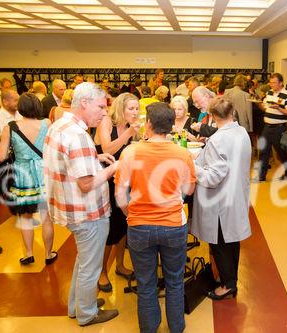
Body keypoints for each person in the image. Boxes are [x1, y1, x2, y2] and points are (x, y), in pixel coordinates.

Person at [115, 102, 196, 333]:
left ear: (148, 124)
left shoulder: (131, 152)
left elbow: (120, 194)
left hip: (140, 226)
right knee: (174, 281)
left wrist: (131, 213)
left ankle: (149, 329)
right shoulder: (182, 154)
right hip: (173, 225)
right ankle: (176, 327)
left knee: (146, 284)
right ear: (171, 126)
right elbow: (189, 190)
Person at [44, 82, 119, 326]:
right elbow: (86, 184)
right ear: (83, 103)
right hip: (87, 212)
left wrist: (93, 157)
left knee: (84, 259)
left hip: (68, 208)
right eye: (100, 106)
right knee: (91, 266)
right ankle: (87, 313)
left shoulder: (60, 125)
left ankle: (77, 305)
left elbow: (67, 160)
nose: (104, 112)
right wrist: (116, 166)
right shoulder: (79, 136)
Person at [191, 97, 252, 300]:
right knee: (231, 241)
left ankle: (228, 284)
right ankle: (231, 279)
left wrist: (194, 167)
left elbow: (212, 177)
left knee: (220, 245)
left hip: (220, 200)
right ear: (232, 113)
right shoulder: (241, 132)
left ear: (213, 116)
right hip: (235, 195)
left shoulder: (218, 139)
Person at [0, 92, 57, 266]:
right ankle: (48, 254)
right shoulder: (47, 123)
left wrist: (15, 151)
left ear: (20, 108)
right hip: (44, 172)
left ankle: (29, 254)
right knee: (46, 217)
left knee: (25, 217)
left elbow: (1, 157)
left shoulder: (10, 127)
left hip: (23, 175)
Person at [95, 93, 140, 293]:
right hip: (106, 180)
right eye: (131, 109)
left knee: (123, 224)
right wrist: (129, 133)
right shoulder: (107, 122)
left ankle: (120, 265)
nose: (135, 112)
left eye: (137, 108)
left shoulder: (135, 127)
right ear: (121, 109)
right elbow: (108, 148)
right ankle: (102, 271)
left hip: (125, 180)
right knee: (110, 226)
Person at [254, 73, 287, 182]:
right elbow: (266, 108)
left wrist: (279, 108)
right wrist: (258, 103)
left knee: (281, 152)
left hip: (279, 128)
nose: (271, 84)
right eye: (270, 82)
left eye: (274, 82)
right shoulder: (269, 92)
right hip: (267, 127)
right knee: (263, 151)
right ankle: (261, 176)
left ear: (281, 83)